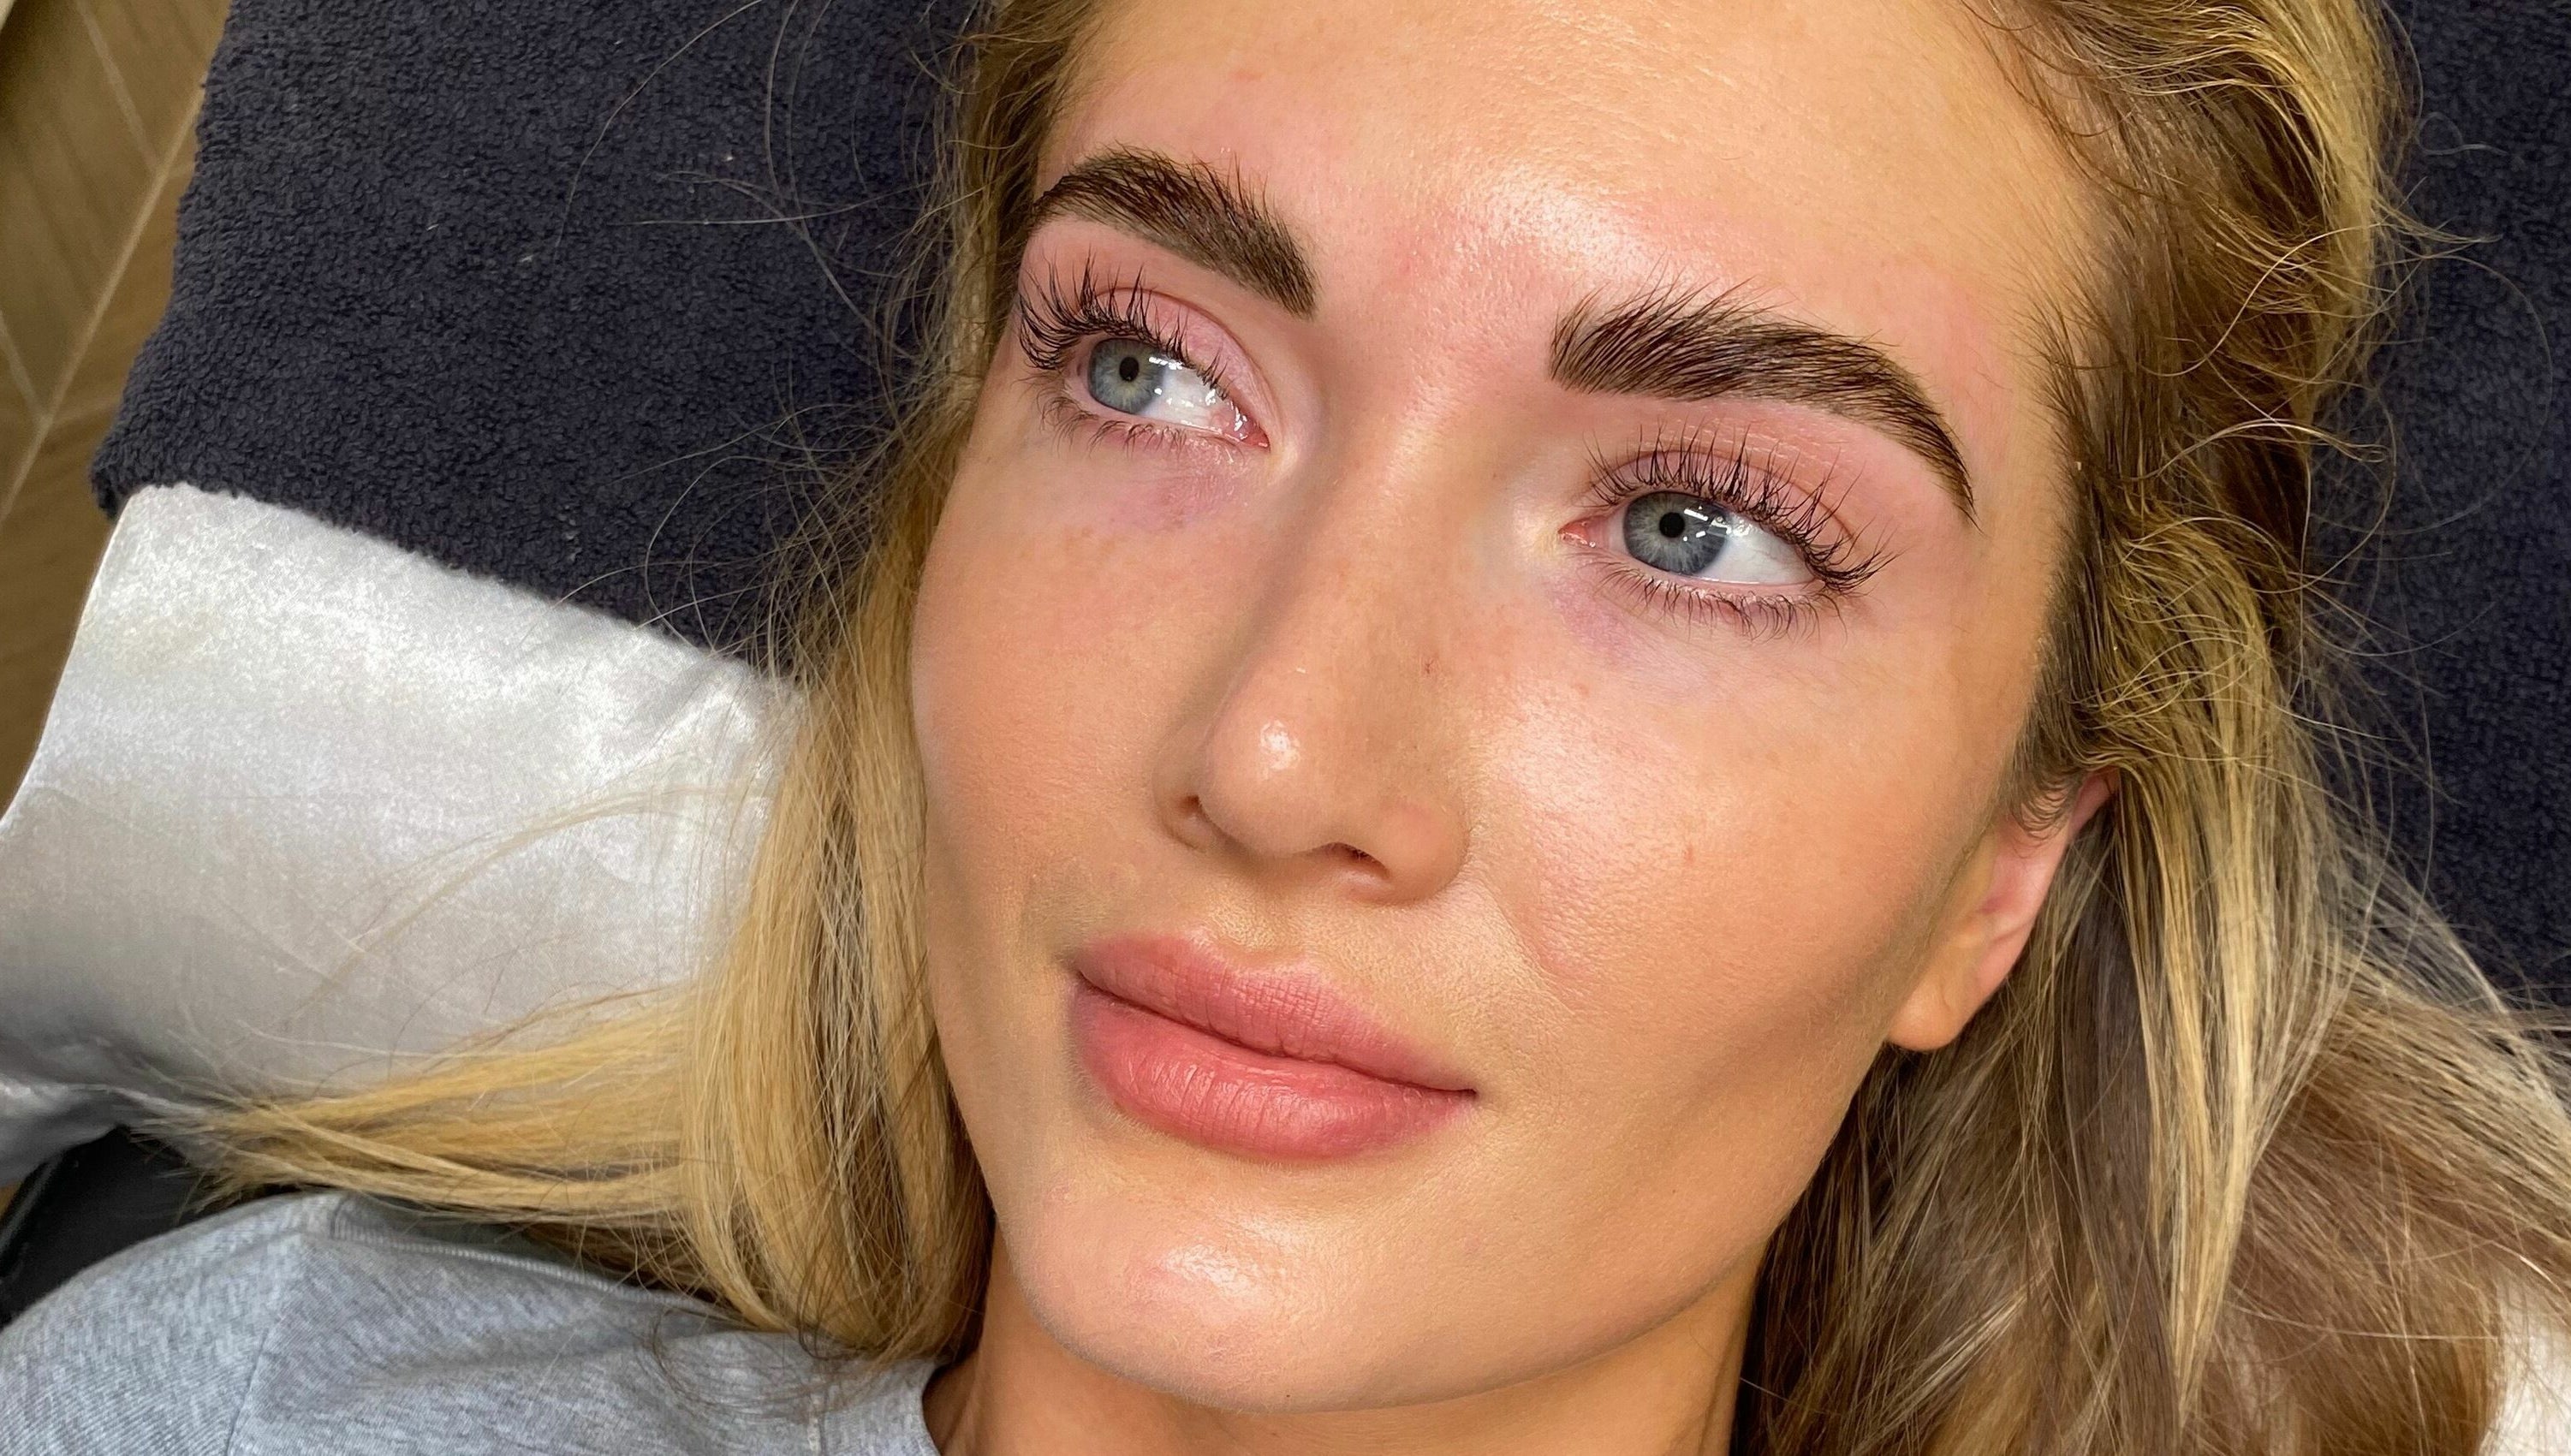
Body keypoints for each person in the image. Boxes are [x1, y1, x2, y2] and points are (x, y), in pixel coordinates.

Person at [6, 0, 2569, 1451]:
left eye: (1697, 527)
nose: (1275, 757)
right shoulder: (249, 1399)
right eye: (1147, 369)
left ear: (2003, 869)